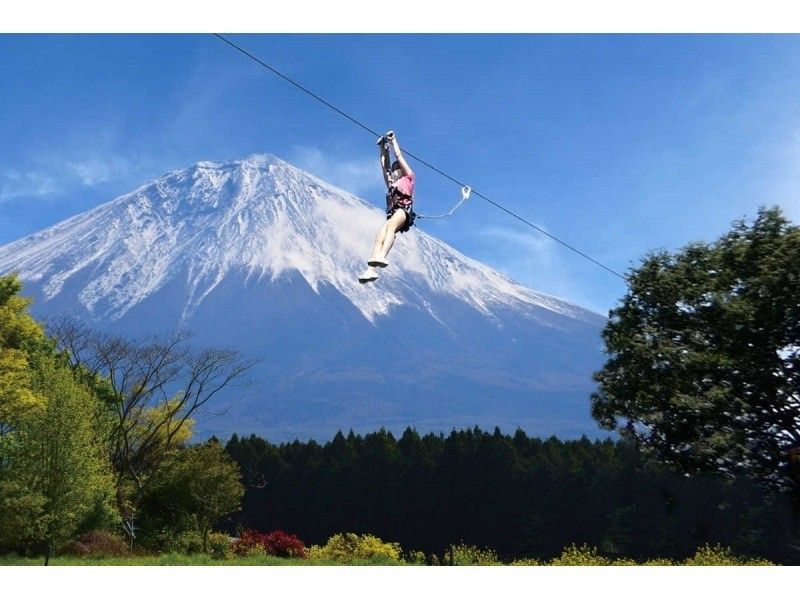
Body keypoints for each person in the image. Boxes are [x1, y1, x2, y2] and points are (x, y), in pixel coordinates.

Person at [359, 131, 416, 284]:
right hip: (393, 214)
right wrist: (383, 149)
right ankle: (370, 270)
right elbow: (384, 167)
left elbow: (400, 157)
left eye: (397, 169)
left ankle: (382, 256)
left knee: (390, 227)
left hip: (403, 212)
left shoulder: (408, 178)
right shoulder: (392, 184)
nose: (395, 171)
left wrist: (393, 141)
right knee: (379, 236)